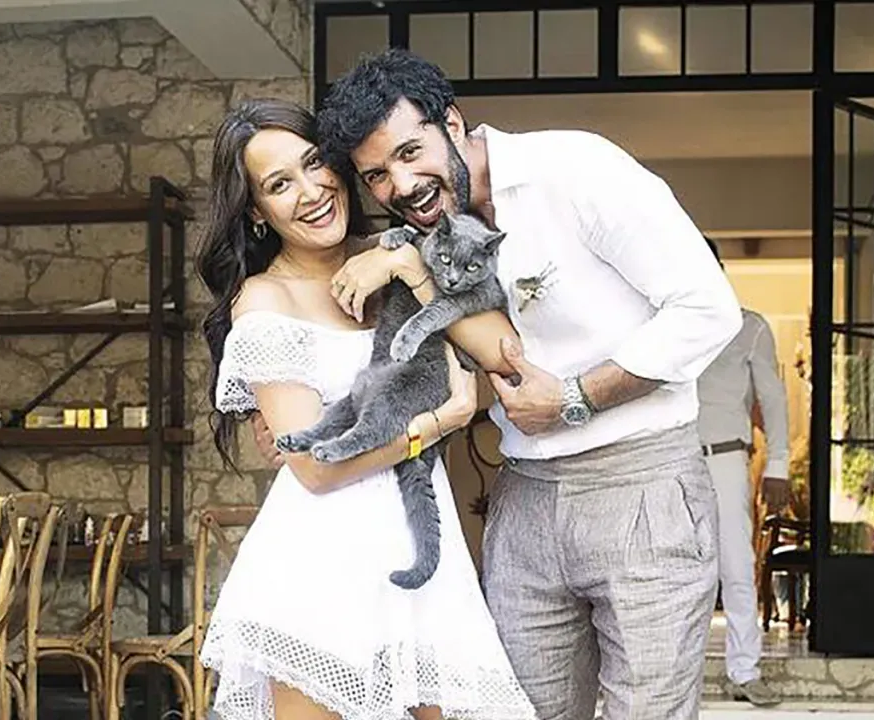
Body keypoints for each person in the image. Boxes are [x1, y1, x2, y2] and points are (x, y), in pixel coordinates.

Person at [282, 49, 744, 720]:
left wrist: (576, 398)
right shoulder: (417, 240)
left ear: (452, 122)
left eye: (411, 152)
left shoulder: (577, 169)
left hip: (641, 487)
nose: (402, 184)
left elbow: (710, 309)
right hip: (524, 497)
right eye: (377, 174)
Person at [195, 97, 537, 720]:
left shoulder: (401, 251)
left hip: (421, 563)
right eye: (279, 184)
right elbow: (316, 468)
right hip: (319, 570)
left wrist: (406, 264)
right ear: (256, 211)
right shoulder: (265, 301)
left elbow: (504, 353)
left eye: (314, 163)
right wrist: (436, 424)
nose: (311, 191)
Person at [696, 237, 790, 707]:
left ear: (719, 268)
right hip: (669, 459)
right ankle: (679, 676)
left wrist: (779, 464)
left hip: (726, 459)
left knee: (736, 563)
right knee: (675, 572)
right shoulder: (663, 325)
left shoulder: (748, 327)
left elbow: (773, 399)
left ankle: (745, 671)